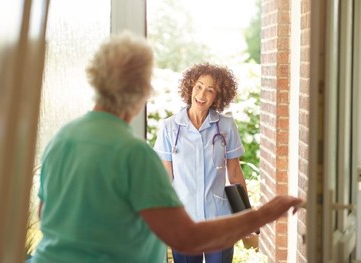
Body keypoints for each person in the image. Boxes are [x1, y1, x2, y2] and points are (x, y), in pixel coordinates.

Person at [29, 31, 303, 263]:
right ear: (142, 91)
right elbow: (185, 236)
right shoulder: (134, 154)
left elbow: (46, 213)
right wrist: (265, 214)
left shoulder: (62, 139)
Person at [153, 63, 250, 263]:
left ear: (218, 96)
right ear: (190, 87)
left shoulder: (226, 126)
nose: (202, 94)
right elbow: (164, 177)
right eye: (198, 86)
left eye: (210, 90)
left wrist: (246, 215)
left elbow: (234, 173)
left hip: (220, 219)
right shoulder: (170, 127)